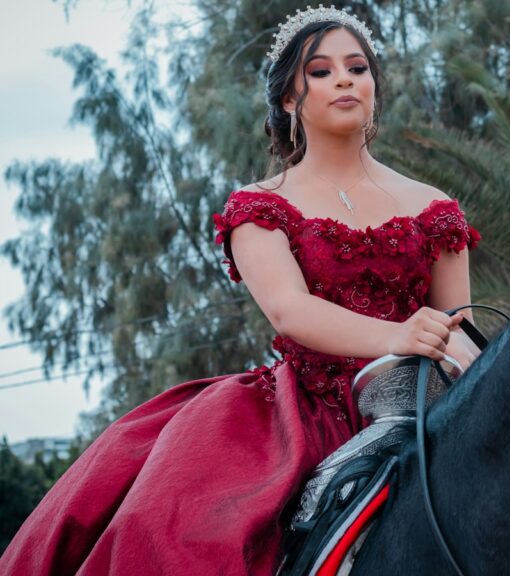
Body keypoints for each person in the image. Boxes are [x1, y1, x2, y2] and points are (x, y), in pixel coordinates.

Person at [0, 6, 480, 574]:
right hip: (302, 416)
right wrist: (402, 334)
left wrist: (481, 382)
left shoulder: (435, 208)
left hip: (423, 408)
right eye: (320, 72)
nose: (345, 79)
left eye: (358, 66)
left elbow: (462, 327)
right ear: (288, 100)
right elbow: (290, 311)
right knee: (173, 531)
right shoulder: (259, 205)